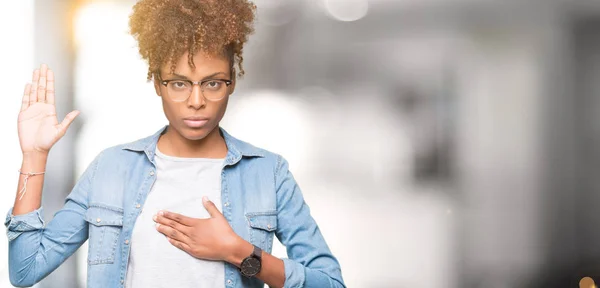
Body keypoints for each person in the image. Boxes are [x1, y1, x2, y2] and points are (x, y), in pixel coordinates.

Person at [5, 0, 345, 287]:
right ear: (157, 83)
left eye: (212, 83)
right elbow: (25, 270)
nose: (196, 101)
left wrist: (239, 252)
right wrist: (34, 156)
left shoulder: (268, 173)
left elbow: (329, 282)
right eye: (179, 83)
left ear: (232, 82)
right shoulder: (111, 168)